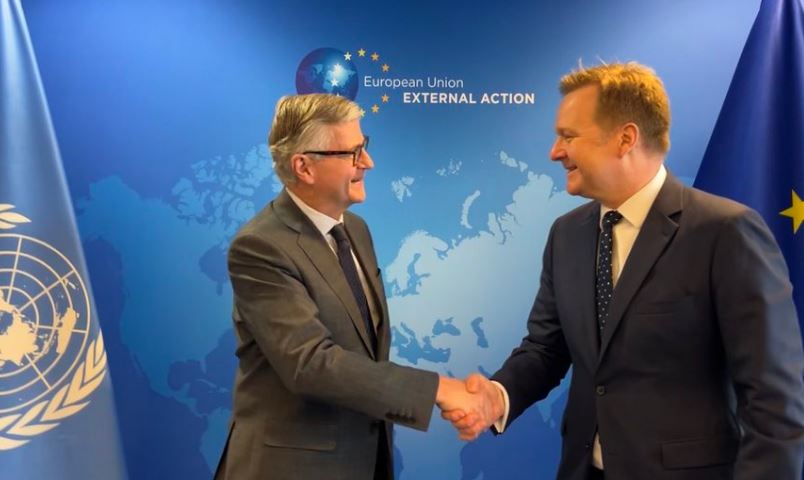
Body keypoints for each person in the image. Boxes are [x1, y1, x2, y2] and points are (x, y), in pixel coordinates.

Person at [444, 62, 804, 479]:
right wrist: (497, 396)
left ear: (625, 138)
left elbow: (773, 399)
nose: (555, 152)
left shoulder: (724, 232)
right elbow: (546, 348)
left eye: (568, 136)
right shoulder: (566, 234)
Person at [215, 93, 489, 480]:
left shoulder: (355, 230)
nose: (368, 162)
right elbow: (310, 363)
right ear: (304, 167)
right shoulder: (260, 247)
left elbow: (363, 350)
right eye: (352, 153)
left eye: (365, 146)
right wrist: (438, 390)